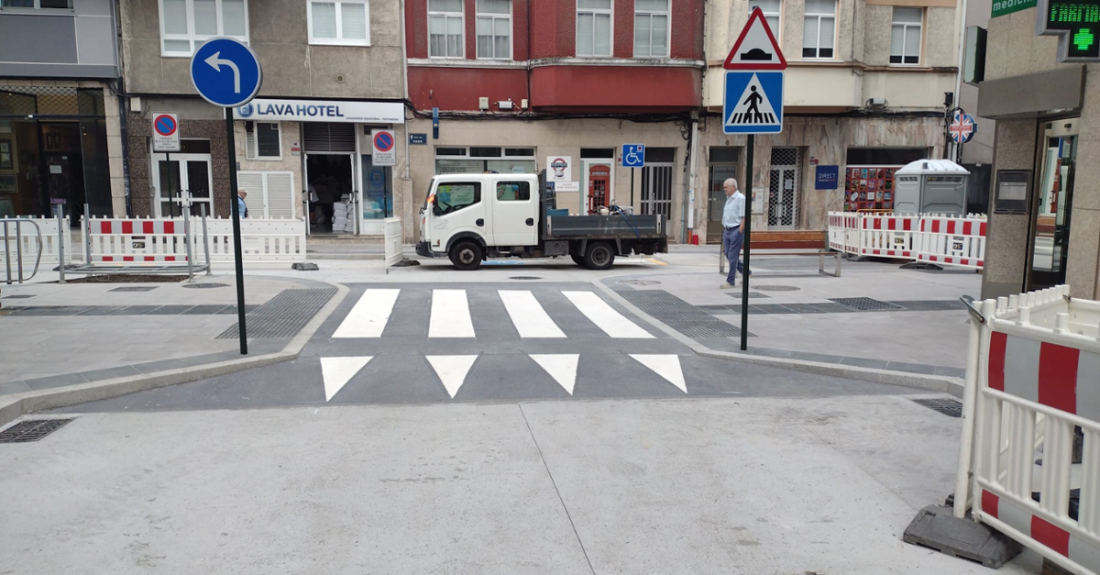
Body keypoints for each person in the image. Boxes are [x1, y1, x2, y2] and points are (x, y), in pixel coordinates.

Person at [720, 178, 749, 288]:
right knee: (728, 254)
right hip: (727, 230)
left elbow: (744, 216)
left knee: (732, 256)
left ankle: (730, 281)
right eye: (724, 187)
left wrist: (740, 230)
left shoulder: (740, 198)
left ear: (733, 187)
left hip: (736, 230)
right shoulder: (729, 198)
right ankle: (746, 272)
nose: (724, 189)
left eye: (726, 187)